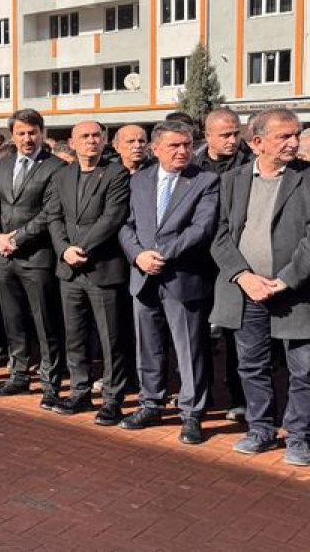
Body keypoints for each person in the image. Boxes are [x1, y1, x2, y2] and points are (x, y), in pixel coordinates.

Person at [210, 108, 310, 467]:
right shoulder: (233, 180)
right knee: (252, 365)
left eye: (296, 134)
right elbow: (220, 236)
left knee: (305, 368)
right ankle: (262, 429)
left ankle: (298, 436)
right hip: (247, 292)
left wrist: (285, 279)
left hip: (296, 293)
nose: (293, 142)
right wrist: (243, 276)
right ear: (257, 142)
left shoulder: (307, 178)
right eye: (284, 136)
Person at [118, 120, 220, 444]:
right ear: (156, 149)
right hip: (143, 277)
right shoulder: (140, 180)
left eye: (188, 144)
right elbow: (126, 225)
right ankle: (150, 404)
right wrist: (137, 256)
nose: (183, 151)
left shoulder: (205, 180)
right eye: (174, 145)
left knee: (190, 351)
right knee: (148, 347)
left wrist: (159, 254)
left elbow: (201, 229)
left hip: (182, 279)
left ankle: (192, 414)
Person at [45, 120, 133, 423]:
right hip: (69, 270)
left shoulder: (116, 173)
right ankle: (79, 392)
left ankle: (112, 399)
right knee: (75, 336)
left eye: (96, 136)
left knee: (111, 339)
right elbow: (53, 217)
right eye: (85, 136)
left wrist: (80, 248)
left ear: (105, 140)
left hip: (102, 268)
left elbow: (112, 217)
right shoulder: (62, 175)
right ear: (72, 141)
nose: (91, 141)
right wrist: (64, 250)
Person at [0, 109, 67, 405]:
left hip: (37, 257)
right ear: (12, 135)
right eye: (21, 133)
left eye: (32, 132)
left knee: (45, 323)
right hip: (3, 258)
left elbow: (49, 213)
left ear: (42, 133)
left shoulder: (56, 167)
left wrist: (16, 238)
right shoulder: (2, 165)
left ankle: (50, 383)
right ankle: (18, 375)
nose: (27, 138)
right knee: (13, 320)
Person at [194, 107, 252, 421]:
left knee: (237, 335)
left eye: (235, 133)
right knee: (197, 333)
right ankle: (200, 394)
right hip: (200, 261)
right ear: (208, 136)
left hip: (236, 260)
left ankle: (239, 397)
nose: (232, 140)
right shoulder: (193, 165)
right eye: (224, 135)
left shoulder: (251, 163)